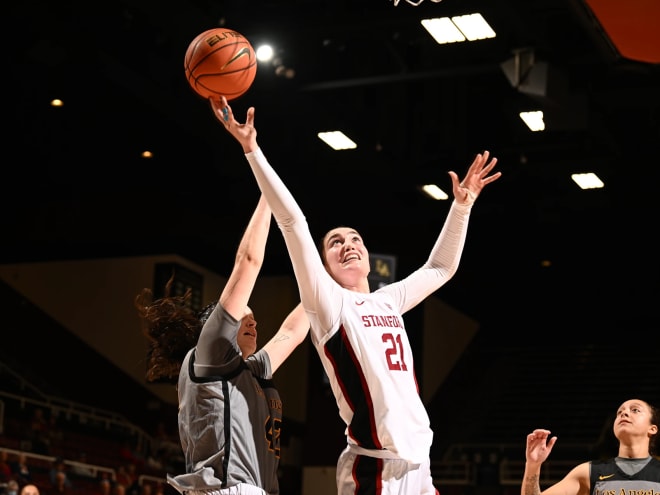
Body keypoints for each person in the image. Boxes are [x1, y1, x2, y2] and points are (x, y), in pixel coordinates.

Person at [212, 95, 501, 495]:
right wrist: (252, 149)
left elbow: (440, 268)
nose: (347, 244)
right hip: (374, 466)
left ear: (368, 255)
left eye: (355, 239)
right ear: (325, 265)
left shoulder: (389, 300)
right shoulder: (328, 303)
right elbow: (292, 221)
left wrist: (462, 207)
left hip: (420, 464)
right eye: (335, 242)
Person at [134, 194, 309, 495]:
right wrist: (269, 192)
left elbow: (292, 332)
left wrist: (329, 283)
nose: (253, 323)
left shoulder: (250, 369)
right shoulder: (210, 354)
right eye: (244, 317)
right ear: (217, 330)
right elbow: (249, 262)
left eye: (254, 318)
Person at [522, 398, 660, 495]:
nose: (624, 413)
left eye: (635, 410)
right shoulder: (588, 472)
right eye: (619, 412)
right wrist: (533, 465)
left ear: (652, 429)